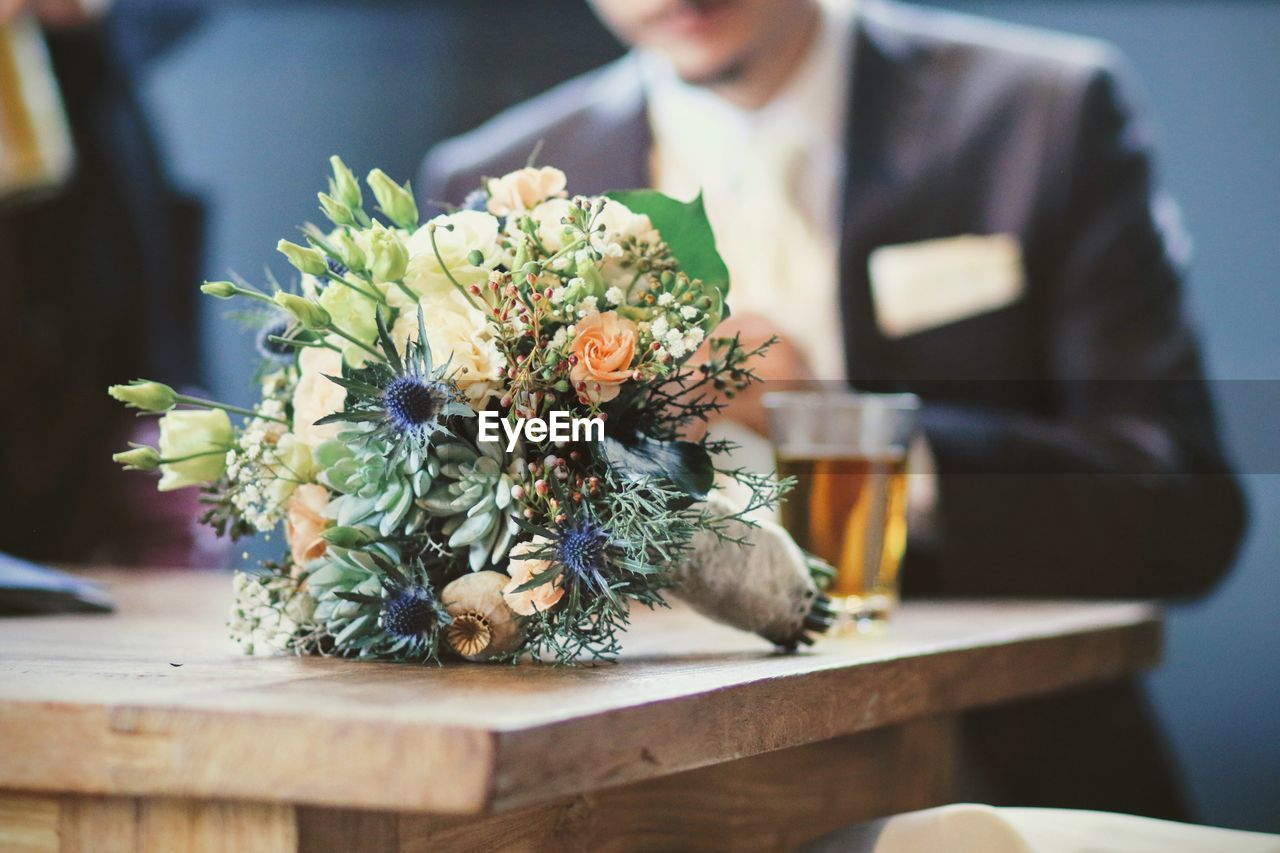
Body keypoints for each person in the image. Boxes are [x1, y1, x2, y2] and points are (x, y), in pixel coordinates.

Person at [418, 0, 1246, 820]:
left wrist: (840, 434)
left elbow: (1185, 507)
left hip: (988, 774)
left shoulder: (1043, 112)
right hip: (616, 797)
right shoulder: (491, 184)